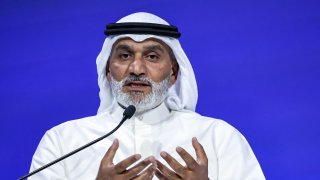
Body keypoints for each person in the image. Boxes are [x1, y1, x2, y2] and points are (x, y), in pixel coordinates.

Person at [29, 12, 265, 179]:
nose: (136, 69)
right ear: (107, 71)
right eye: (124, 56)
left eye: (152, 56)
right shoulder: (63, 142)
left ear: (174, 73)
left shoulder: (218, 137)